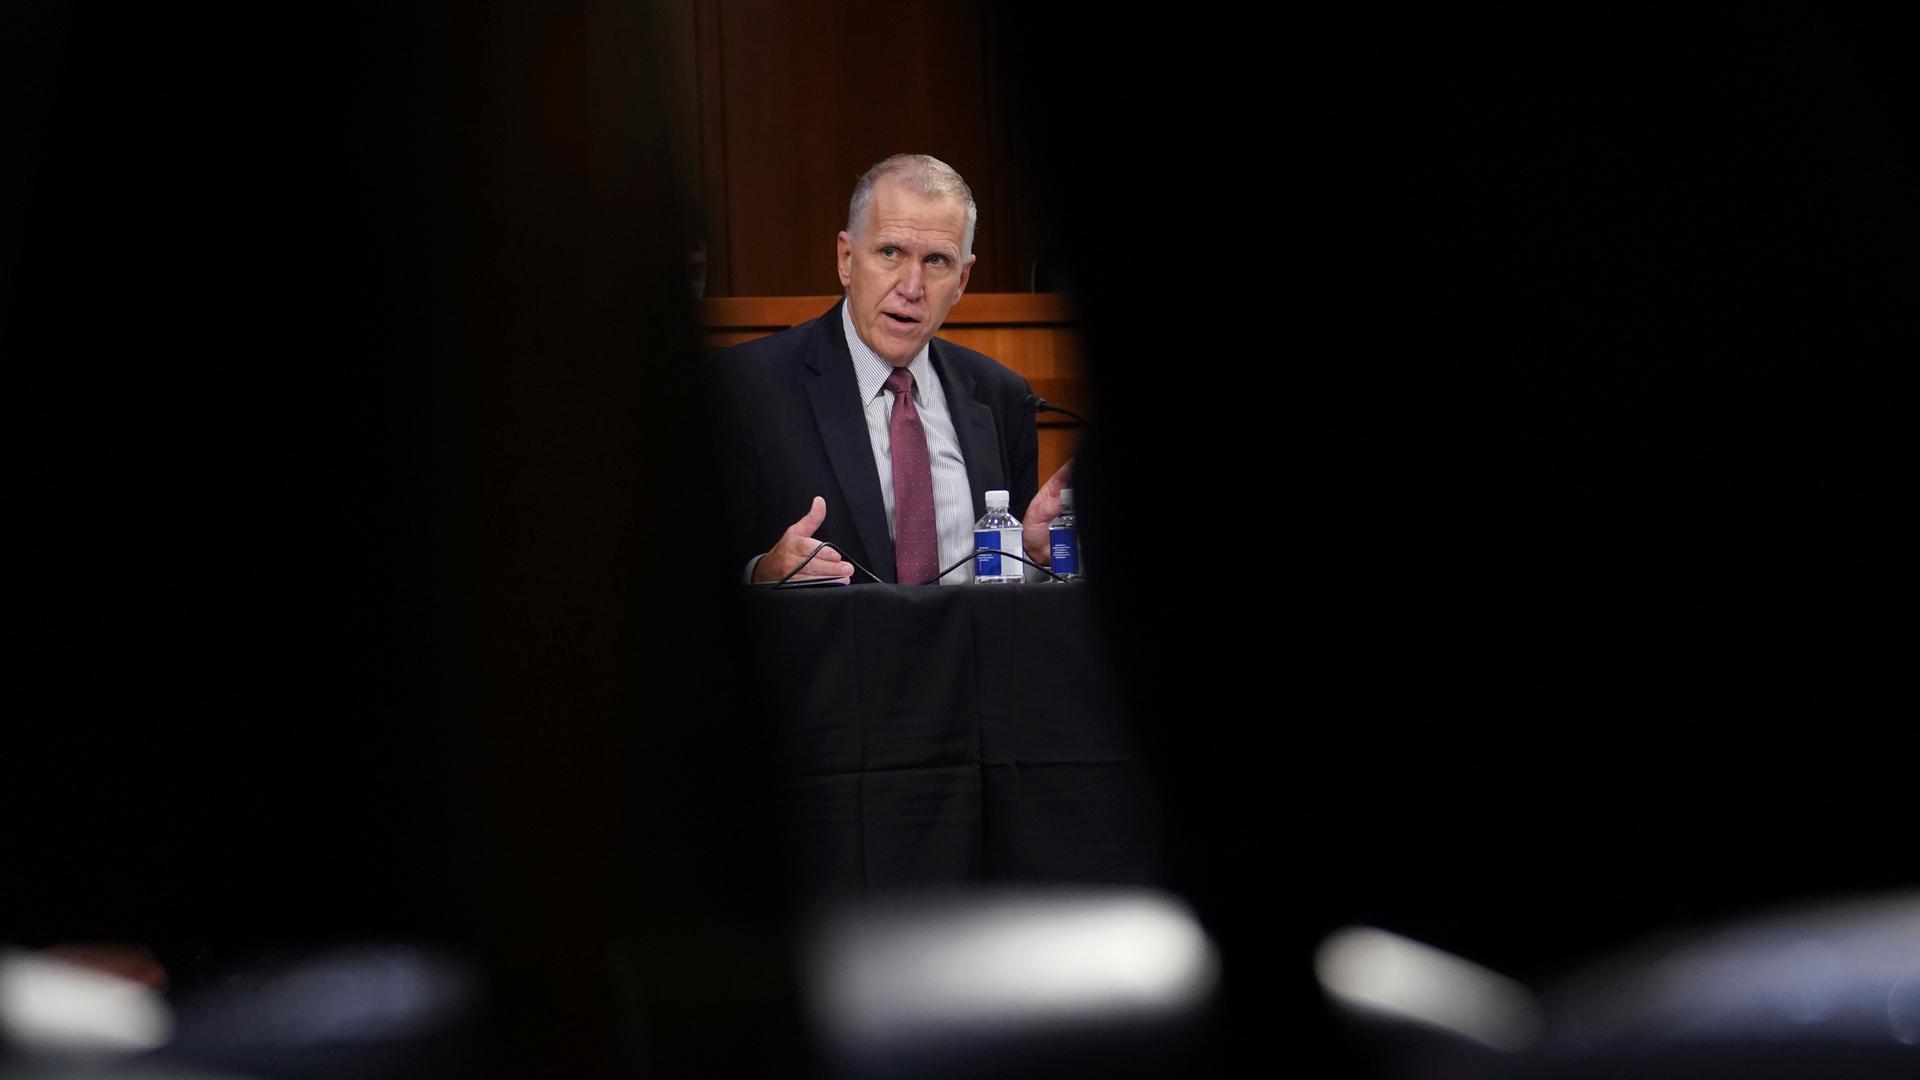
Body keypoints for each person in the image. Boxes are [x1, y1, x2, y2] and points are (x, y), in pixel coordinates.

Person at [714, 154, 1070, 585]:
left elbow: (1013, 599)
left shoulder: (1004, 398)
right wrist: (762, 574)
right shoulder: (747, 385)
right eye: (890, 252)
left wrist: (1032, 557)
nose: (912, 288)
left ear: (962, 281)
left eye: (937, 261)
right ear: (846, 258)